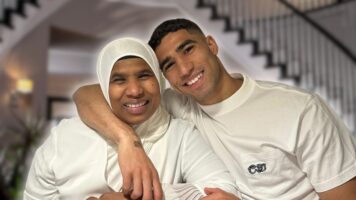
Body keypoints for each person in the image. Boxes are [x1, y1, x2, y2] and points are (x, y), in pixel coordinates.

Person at [74, 18, 356, 200]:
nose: (184, 69)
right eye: (169, 65)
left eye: (188, 49)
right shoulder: (177, 104)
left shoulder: (300, 109)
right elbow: (86, 95)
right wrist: (127, 142)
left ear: (211, 45)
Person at [24, 37, 239, 200]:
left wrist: (149, 194)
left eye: (144, 76)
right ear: (104, 88)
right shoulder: (65, 136)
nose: (135, 91)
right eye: (119, 80)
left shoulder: (180, 134)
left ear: (159, 80)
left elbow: (223, 189)